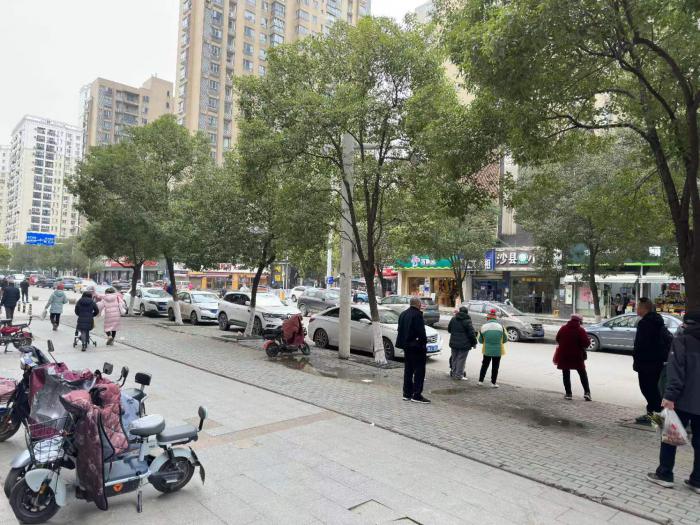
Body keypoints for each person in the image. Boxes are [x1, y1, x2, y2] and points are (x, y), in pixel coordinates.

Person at [647, 311, 700, 493]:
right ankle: (697, 480)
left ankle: (665, 474)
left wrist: (669, 396)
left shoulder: (682, 340)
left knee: (670, 436)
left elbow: (676, 371)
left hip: (681, 400)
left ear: (686, 323)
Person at [633, 297, 673, 425]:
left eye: (638, 306)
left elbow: (641, 344)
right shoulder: (657, 321)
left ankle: (656, 417)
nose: (636, 308)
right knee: (652, 389)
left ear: (644, 308)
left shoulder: (645, 323)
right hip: (656, 362)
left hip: (646, 363)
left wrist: (637, 358)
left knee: (648, 389)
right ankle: (653, 414)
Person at [396, 297, 430, 403]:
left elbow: (400, 330)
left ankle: (406, 394)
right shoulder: (417, 315)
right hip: (417, 347)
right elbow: (421, 332)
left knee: (408, 370)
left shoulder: (403, 314)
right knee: (419, 371)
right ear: (418, 304)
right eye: (420, 304)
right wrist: (423, 343)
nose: (421, 305)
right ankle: (417, 395)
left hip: (406, 347)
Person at [554, 314, 592, 401]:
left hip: (564, 355)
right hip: (577, 356)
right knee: (582, 373)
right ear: (579, 321)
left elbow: (557, 339)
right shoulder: (580, 330)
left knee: (565, 374)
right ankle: (587, 393)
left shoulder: (563, 328)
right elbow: (586, 344)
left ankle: (568, 394)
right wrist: (587, 340)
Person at [478, 309, 508, 387]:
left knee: (484, 365)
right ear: (495, 318)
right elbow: (505, 339)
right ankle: (493, 383)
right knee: (495, 367)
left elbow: (480, 340)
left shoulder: (483, 327)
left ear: (488, 318)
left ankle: (480, 381)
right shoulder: (501, 327)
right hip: (498, 350)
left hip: (487, 350)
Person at [447, 306, 477, 380]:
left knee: (454, 358)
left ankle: (454, 373)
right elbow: (471, 334)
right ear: (466, 312)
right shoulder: (467, 321)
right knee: (461, 360)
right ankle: (459, 375)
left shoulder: (453, 319)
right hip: (464, 344)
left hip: (454, 343)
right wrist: (474, 343)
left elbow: (449, 330)